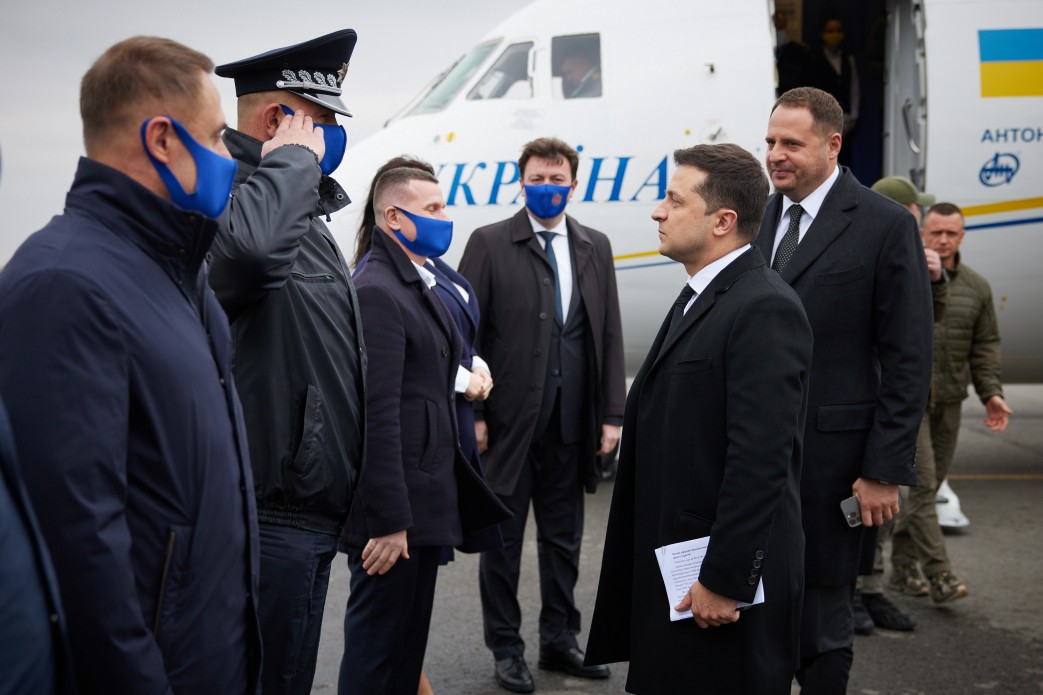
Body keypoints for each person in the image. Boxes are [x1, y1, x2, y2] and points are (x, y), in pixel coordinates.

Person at [0, 36, 260, 693]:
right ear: (162, 139)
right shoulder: (63, 284)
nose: (230, 156)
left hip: (212, 660)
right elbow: (78, 538)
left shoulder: (181, 278)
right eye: (217, 136)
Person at [585, 143, 813, 694]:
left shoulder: (763, 307)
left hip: (716, 590)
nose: (658, 212)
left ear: (722, 221)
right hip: (679, 572)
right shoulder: (703, 294)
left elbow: (760, 461)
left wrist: (725, 579)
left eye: (674, 200)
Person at [754, 86, 933, 693]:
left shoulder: (884, 225)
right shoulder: (757, 218)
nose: (775, 155)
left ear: (832, 145)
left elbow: (909, 357)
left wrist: (884, 469)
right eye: (770, 141)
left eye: (791, 143)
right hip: (754, 457)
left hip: (835, 465)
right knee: (758, 619)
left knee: (823, 628)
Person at [208, 30, 366, 695]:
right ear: (278, 121)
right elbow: (244, 262)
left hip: (307, 511)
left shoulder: (297, 205)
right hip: (268, 510)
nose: (332, 137)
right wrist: (294, 165)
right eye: (321, 121)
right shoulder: (232, 196)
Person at [459, 137, 626, 693]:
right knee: (502, 545)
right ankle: (507, 649)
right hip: (507, 425)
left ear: (573, 186)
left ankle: (559, 640)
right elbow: (465, 333)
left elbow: (608, 331)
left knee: (564, 542)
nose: (547, 188)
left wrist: (612, 415)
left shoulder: (594, 245)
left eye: (557, 180)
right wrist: (474, 412)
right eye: (537, 179)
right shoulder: (489, 243)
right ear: (522, 182)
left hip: (571, 424)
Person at [338, 167, 509, 695]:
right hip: (397, 519)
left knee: (404, 651)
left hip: (424, 505)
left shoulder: (419, 280)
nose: (445, 218)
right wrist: (390, 521)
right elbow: (377, 415)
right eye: (432, 209)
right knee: (377, 658)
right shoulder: (377, 289)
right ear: (393, 217)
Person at [889, 202, 1013, 603]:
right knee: (924, 487)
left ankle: (903, 568)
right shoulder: (904, 278)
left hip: (950, 402)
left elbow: (985, 345)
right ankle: (941, 573)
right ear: (922, 234)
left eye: (951, 233)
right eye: (935, 232)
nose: (943, 240)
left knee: (927, 489)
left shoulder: (976, 287)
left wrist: (992, 393)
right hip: (912, 404)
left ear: (962, 236)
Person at [850, 175, 947, 635]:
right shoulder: (874, 244)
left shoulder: (915, 251)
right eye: (914, 208)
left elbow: (925, 324)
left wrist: (936, 282)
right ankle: (853, 590)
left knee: (896, 500)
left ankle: (871, 588)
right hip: (875, 399)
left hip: (908, 401)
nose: (920, 216)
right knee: (866, 503)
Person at [807, 17, 860, 167]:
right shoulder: (813, 59)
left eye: (838, 31)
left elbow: (854, 88)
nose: (834, 35)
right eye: (830, 31)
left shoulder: (848, 59)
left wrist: (854, 116)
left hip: (845, 120)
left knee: (844, 160)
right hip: (820, 120)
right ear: (822, 34)